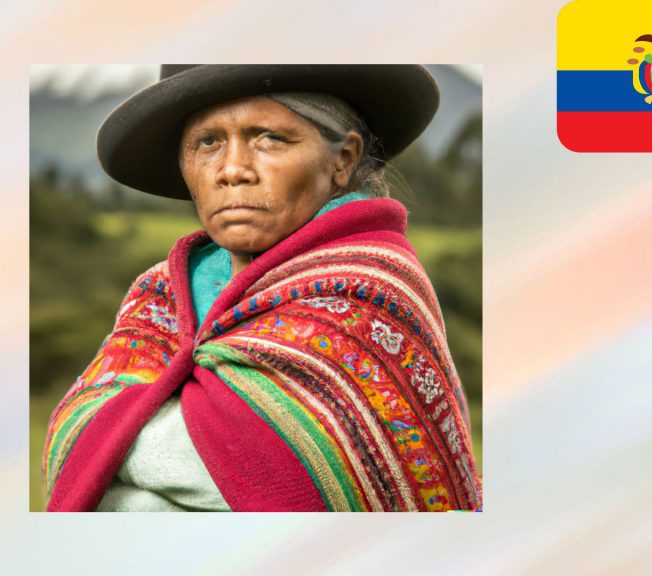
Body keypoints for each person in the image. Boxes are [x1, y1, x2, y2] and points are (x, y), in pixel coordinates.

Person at [44, 65, 481, 511]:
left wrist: (111, 453)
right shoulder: (157, 294)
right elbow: (69, 433)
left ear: (343, 159)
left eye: (269, 137)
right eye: (207, 143)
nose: (232, 170)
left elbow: (247, 470)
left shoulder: (370, 291)